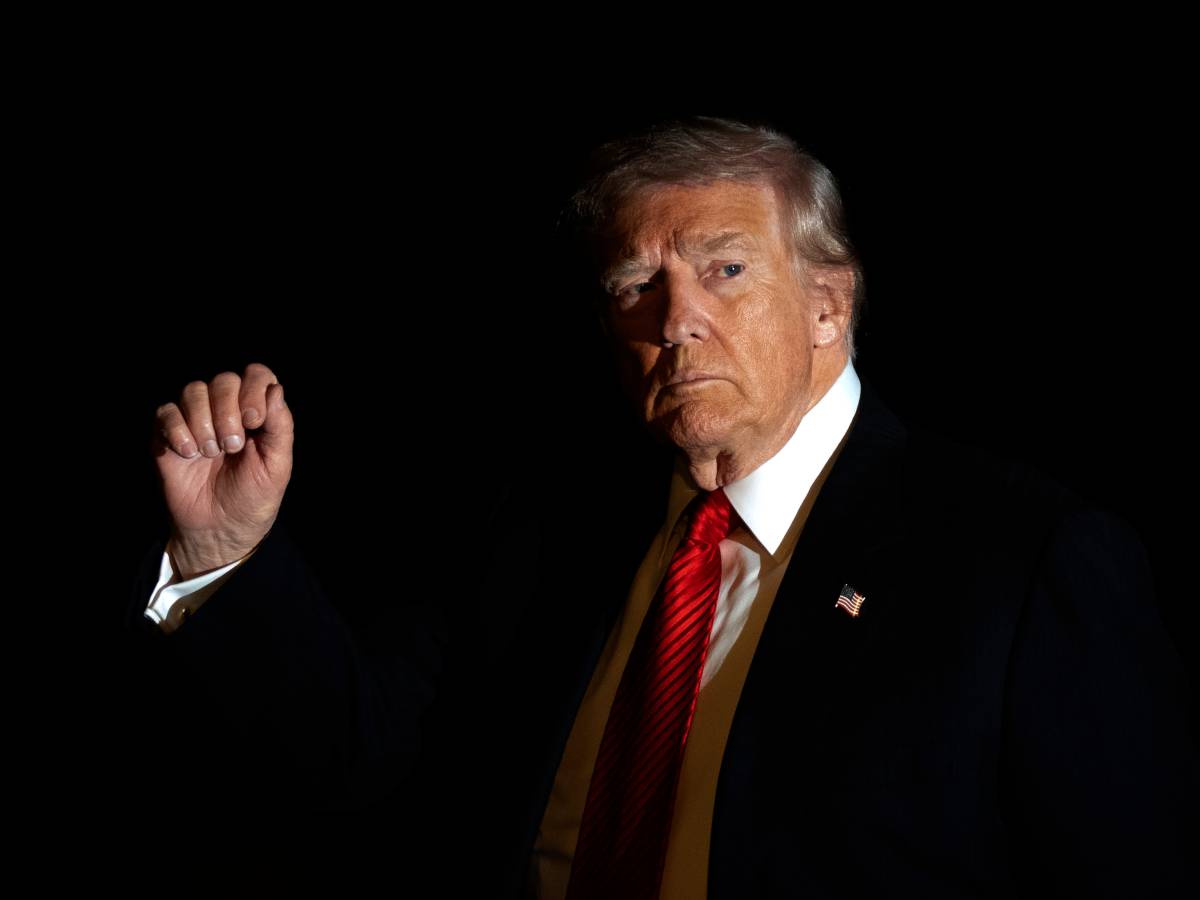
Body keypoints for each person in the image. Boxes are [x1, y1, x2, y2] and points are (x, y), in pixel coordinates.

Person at [126, 115, 1198, 897]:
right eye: (635, 287)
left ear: (828, 305)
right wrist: (225, 550)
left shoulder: (1024, 561)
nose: (674, 319)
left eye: (724, 269)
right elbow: (357, 761)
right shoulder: (547, 527)